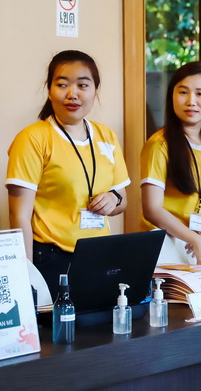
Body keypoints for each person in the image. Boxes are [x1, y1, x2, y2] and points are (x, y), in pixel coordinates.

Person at [7, 50, 130, 297]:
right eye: (62, 84)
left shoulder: (106, 136)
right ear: (49, 90)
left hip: (98, 256)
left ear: (95, 91)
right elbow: (19, 216)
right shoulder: (32, 138)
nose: (72, 94)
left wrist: (113, 198)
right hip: (51, 259)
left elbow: (123, 200)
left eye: (82, 85)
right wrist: (27, 279)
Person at [140, 61, 201, 266]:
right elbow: (152, 208)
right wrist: (194, 239)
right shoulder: (159, 145)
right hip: (165, 248)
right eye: (183, 92)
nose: (191, 101)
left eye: (200, 94)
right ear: (172, 96)